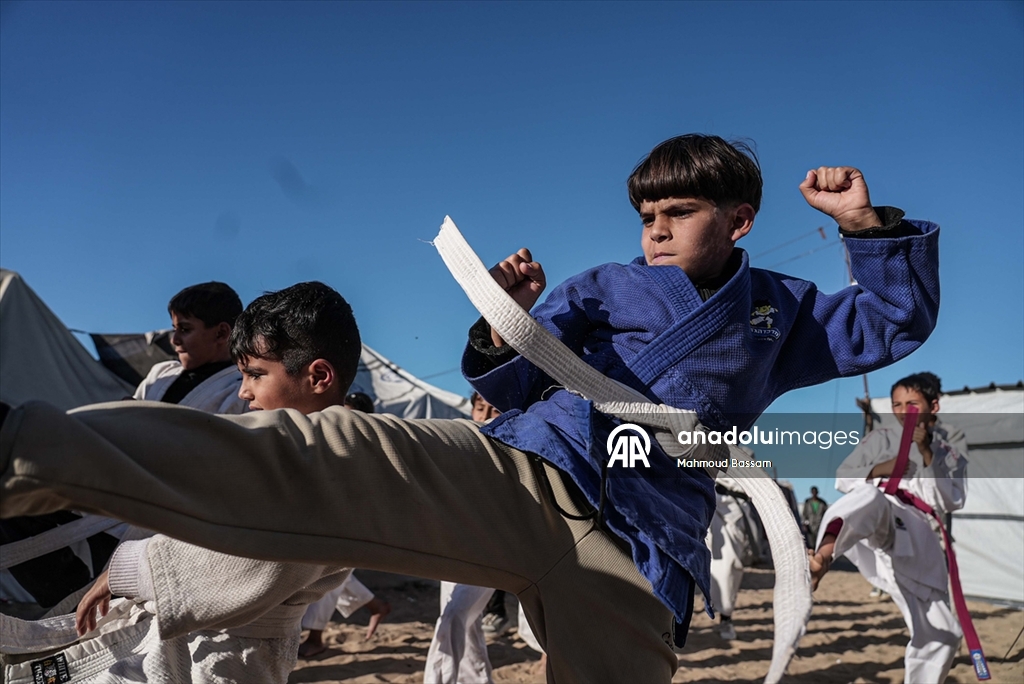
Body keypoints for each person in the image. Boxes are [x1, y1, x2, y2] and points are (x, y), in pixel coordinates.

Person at [0, 134, 942, 683]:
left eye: (679, 215)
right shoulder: (604, 285)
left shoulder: (781, 311)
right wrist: (507, 330)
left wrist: (865, 228)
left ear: (738, 221)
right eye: (645, 218)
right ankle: (22, 450)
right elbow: (510, 381)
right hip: (532, 472)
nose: (654, 233)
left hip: (647, 537)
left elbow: (891, 325)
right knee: (328, 450)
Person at [71, 282, 363, 683]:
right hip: (195, 631)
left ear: (318, 376)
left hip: (242, 652)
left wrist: (128, 570)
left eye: (256, 376)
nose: (244, 393)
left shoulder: (334, 466)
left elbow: (250, 564)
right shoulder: (277, 451)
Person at [809, 372, 967, 684]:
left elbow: (951, 499)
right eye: (896, 404)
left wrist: (927, 455)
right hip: (879, 510)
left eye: (912, 403)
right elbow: (844, 477)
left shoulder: (950, 446)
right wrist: (881, 468)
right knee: (867, 497)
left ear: (933, 406)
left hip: (918, 529)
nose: (902, 410)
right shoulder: (880, 438)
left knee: (945, 633)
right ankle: (822, 557)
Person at [297, 390, 392, 658]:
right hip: (323, 517)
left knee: (327, 574)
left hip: (347, 521)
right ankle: (377, 606)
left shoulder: (369, 447)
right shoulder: (325, 436)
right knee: (332, 574)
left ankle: (315, 638)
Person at [424, 392, 502, 684]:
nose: (483, 417)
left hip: (494, 545)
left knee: (454, 617)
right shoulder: (462, 439)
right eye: (479, 408)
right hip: (458, 543)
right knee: (465, 625)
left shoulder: (517, 443)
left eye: (493, 410)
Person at [134, 281, 248, 413]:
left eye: (185, 329)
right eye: (174, 329)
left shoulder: (241, 391)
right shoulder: (161, 374)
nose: (174, 340)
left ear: (221, 333)